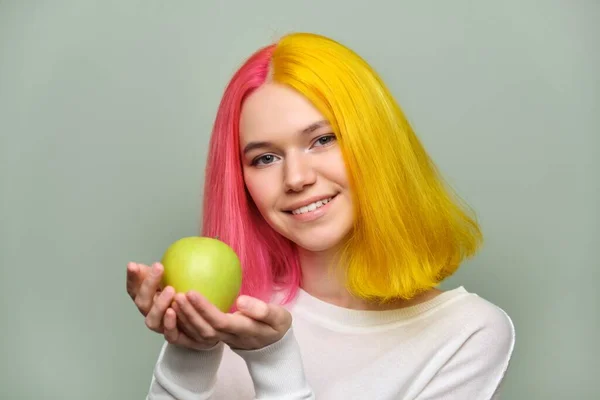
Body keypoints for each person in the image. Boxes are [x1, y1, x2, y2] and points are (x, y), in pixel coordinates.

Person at [126, 32, 515, 399]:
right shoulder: (232, 313)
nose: (296, 179)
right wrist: (190, 351)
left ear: (375, 144)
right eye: (265, 158)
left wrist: (272, 359)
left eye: (322, 140)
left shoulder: (466, 334)